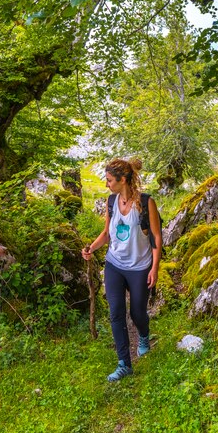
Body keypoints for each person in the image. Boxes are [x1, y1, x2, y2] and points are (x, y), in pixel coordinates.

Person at [82, 158, 162, 381]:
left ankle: (144, 336)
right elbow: (107, 233)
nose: (107, 184)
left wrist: (154, 268)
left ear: (123, 179)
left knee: (137, 312)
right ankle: (124, 363)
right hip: (114, 264)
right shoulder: (111, 201)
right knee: (116, 312)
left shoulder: (146, 203)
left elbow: (156, 237)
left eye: (109, 180)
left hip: (139, 267)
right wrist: (91, 247)